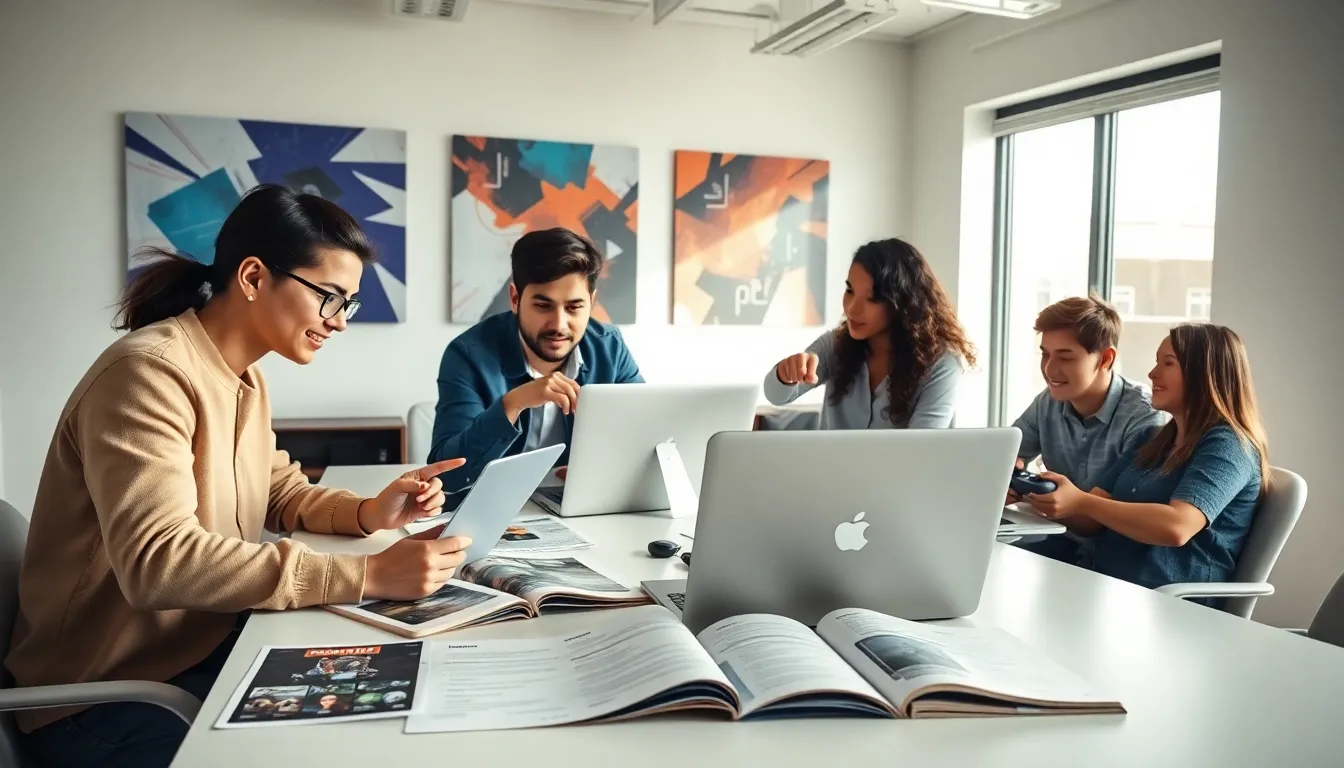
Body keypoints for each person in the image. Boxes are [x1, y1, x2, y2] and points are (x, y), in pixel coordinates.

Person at [5, 185, 474, 768]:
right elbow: (159, 561)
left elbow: (275, 488)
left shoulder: (243, 377)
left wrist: (366, 513)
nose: (340, 322)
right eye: (330, 297)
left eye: (347, 305)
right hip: (99, 699)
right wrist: (366, 574)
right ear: (253, 277)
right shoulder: (147, 375)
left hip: (195, 653)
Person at [1023, 324, 1271, 592]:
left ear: (1205, 374)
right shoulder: (1152, 439)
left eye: (1168, 363)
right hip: (1105, 584)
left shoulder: (1229, 445)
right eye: (1156, 362)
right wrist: (1040, 494)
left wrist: (1082, 501)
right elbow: (1089, 521)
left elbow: (1177, 526)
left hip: (1166, 600)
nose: (1153, 373)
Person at [428, 227, 642, 493]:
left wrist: (596, 471)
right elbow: (445, 476)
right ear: (516, 298)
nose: (559, 325)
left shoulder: (609, 348)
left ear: (591, 301)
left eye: (574, 307)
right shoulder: (468, 354)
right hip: (491, 510)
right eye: (543, 306)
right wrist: (512, 404)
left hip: (580, 506)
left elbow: (644, 438)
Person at [763, 238, 975, 429]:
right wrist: (786, 375)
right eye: (849, 291)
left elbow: (922, 449)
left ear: (904, 303)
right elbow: (775, 395)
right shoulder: (834, 344)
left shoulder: (941, 364)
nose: (852, 308)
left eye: (872, 298)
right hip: (830, 473)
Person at [1009, 295, 1167, 502]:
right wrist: (1004, 476)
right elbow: (1006, 457)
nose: (1049, 369)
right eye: (1045, 354)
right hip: (1053, 530)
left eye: (1065, 357)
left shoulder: (1143, 415)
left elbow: (1124, 506)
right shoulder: (1047, 402)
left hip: (1113, 534)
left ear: (1105, 359)